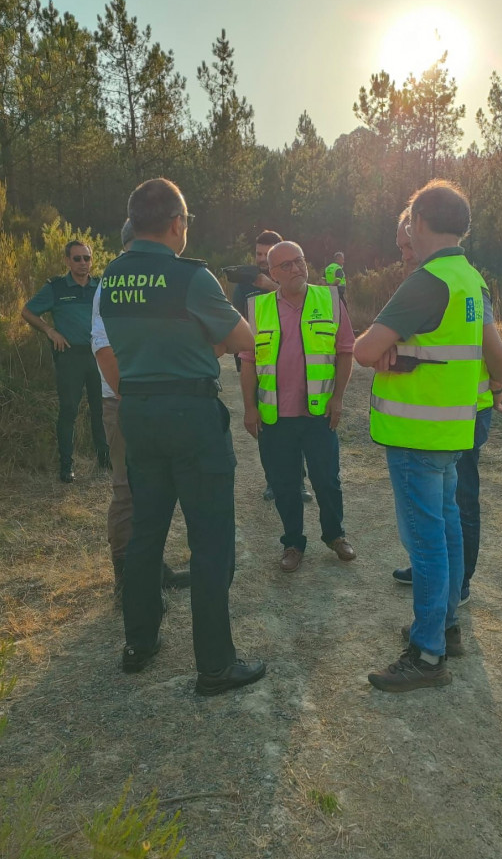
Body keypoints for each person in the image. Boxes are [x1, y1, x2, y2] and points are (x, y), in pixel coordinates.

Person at [99, 177, 265, 695]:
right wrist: (199, 346)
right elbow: (243, 337)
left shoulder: (110, 278)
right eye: (187, 220)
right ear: (177, 223)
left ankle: (139, 643)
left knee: (147, 532)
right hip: (190, 416)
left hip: (138, 413)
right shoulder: (192, 279)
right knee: (210, 540)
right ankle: (215, 665)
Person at [354, 180, 496, 693]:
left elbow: (366, 351)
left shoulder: (427, 281)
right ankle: (445, 628)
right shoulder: (470, 280)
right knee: (449, 530)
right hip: (452, 430)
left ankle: (427, 653)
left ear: (417, 223)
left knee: (427, 542)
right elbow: (475, 352)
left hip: (417, 435)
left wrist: (392, 349)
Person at [391, 209, 502, 604]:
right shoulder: (442, 281)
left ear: (423, 231)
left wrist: (497, 384)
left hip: (460, 412)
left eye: (408, 244)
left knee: (455, 506)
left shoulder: (454, 282)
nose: (405, 254)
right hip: (446, 410)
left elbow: (496, 353)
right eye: (400, 247)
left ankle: (455, 587)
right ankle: (434, 572)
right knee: (440, 510)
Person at [240, 240, 356, 572]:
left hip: (318, 415)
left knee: (327, 480)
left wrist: (338, 398)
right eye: (287, 265)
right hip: (275, 416)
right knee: (285, 484)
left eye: (300, 261)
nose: (296, 269)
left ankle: (335, 535)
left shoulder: (330, 300)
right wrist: (250, 408)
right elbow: (248, 362)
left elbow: (345, 350)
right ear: (271, 273)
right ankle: (293, 543)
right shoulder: (257, 308)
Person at [91, 218, 190, 604]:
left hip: (150, 400)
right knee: (127, 491)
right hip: (124, 402)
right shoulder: (112, 285)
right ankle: (127, 582)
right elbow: (104, 350)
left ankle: (151, 567)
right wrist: (132, 398)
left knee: (155, 488)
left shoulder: (148, 284)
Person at [226, 229, 312, 505]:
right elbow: (237, 321)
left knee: (295, 422)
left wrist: (269, 286)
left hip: (291, 365)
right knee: (265, 424)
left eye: (267, 254)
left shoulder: (290, 278)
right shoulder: (243, 285)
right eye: (258, 254)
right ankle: (273, 480)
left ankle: (298, 480)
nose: (262, 259)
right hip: (255, 363)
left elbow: (304, 301)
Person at [22, 240, 110, 483]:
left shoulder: (100, 287)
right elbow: (28, 311)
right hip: (69, 356)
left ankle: (104, 458)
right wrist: (50, 331)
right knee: (69, 410)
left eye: (87, 258)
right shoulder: (56, 288)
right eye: (77, 258)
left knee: (100, 409)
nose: (83, 263)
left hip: (97, 355)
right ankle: (66, 465)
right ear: (67, 261)